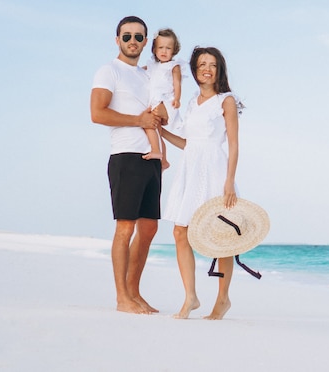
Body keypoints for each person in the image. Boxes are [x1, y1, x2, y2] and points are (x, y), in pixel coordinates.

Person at [90, 16, 167, 314]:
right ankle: (122, 297)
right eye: (127, 36)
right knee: (125, 228)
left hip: (152, 160)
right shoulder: (109, 71)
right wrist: (138, 120)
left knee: (148, 229)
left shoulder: (148, 76)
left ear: (146, 41)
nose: (132, 41)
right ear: (117, 40)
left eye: (138, 37)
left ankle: (134, 292)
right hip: (125, 157)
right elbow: (97, 113)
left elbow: (159, 115)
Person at [161, 46, 243, 320]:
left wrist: (229, 182)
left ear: (219, 70)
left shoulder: (226, 100)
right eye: (201, 64)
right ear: (195, 71)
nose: (206, 68)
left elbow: (233, 144)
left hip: (216, 170)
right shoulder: (191, 102)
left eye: (212, 64)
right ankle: (191, 298)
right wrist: (160, 131)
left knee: (222, 238)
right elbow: (187, 143)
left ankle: (222, 299)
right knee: (180, 232)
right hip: (190, 169)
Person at [142, 28, 185, 170]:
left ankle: (157, 152)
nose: (164, 51)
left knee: (150, 125)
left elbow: (177, 83)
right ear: (154, 49)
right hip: (154, 100)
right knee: (157, 130)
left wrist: (177, 98)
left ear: (174, 50)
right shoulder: (152, 66)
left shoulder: (173, 66)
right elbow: (140, 72)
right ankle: (164, 160)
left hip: (165, 101)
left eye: (168, 48)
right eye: (160, 47)